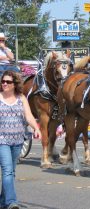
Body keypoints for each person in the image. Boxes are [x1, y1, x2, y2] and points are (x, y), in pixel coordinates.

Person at [0, 70, 41, 209]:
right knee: (7, 170)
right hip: (2, 140)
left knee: (12, 172)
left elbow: (29, 116)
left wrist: (36, 128)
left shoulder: (21, 98)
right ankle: (12, 202)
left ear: (15, 84)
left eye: (8, 82)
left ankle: (2, 201)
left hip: (18, 139)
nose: (5, 84)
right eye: (3, 81)